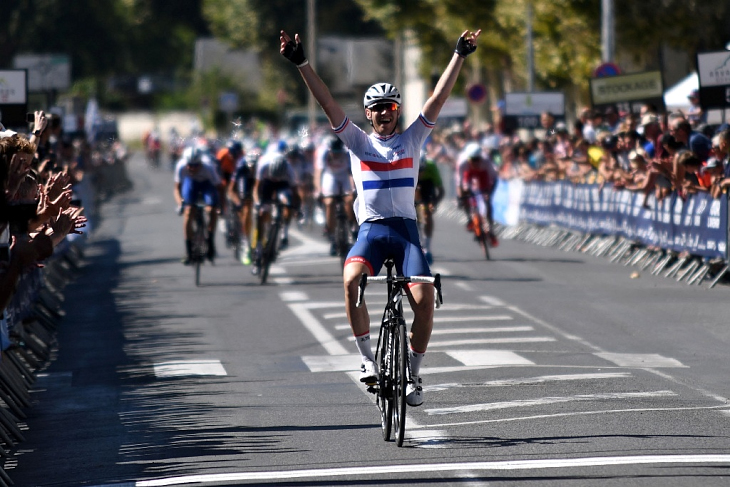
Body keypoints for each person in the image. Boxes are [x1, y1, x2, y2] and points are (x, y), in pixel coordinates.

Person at [280, 26, 481, 407]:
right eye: (378, 110)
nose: (385, 115)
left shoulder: (413, 139)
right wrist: (301, 63)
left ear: (398, 111)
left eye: (391, 108)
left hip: (405, 234)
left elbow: (438, 98)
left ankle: (415, 376)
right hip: (371, 231)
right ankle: (366, 360)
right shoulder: (357, 141)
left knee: (424, 300)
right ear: (368, 114)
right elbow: (327, 104)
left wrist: (460, 54)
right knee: (351, 279)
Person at [173, 145, 225, 264]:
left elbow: (220, 188)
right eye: (190, 165)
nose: (192, 168)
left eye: (196, 165)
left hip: (207, 185)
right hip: (190, 184)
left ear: (200, 163)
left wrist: (221, 205)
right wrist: (180, 203)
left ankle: (210, 241)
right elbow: (177, 189)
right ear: (186, 163)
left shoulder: (208, 167)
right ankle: (189, 251)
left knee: (211, 209)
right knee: (188, 212)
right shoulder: (181, 166)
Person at [251, 152, 296, 275]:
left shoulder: (289, 170)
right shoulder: (263, 165)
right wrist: (257, 202)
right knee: (261, 214)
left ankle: (284, 234)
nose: (276, 178)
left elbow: (294, 191)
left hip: (283, 185)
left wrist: (295, 207)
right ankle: (259, 248)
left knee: (286, 201)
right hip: (267, 184)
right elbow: (256, 188)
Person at [314, 136, 355, 256]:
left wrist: (353, 189)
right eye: (334, 153)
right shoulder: (324, 153)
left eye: (338, 153)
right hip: (330, 176)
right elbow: (318, 173)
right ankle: (332, 237)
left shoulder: (346, 153)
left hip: (343, 177)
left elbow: (351, 173)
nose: (336, 156)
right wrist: (318, 190)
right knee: (329, 202)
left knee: (350, 199)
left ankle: (351, 225)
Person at [415, 151, 444, 264]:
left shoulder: (431, 166)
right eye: (418, 171)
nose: (420, 173)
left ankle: (427, 248)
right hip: (412, 184)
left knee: (427, 215)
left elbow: (441, 191)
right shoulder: (407, 165)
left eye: (421, 170)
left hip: (427, 185)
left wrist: (434, 203)